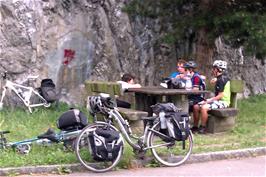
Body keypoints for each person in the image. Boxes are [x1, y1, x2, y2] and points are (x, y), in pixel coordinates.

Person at [192, 60, 230, 134]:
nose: (213, 70)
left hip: (223, 102)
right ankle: (195, 127)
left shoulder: (221, 80)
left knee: (204, 107)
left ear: (219, 69)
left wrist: (209, 100)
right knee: (196, 106)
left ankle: (203, 127)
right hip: (217, 100)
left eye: (214, 68)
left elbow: (220, 95)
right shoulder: (220, 78)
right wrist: (216, 79)